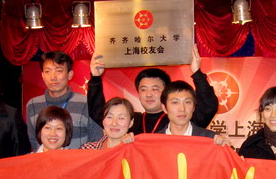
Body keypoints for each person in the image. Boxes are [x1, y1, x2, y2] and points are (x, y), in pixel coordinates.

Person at [88, 44, 219, 134]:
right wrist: (95, 79)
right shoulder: (132, 121)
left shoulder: (179, 118)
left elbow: (208, 106)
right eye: (143, 89)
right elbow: (100, 113)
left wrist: (197, 73)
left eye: (155, 89)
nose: (149, 94)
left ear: (166, 93)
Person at [26, 51, 102, 150]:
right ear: (43, 75)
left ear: (70, 74)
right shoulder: (33, 105)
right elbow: (34, 141)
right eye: (48, 71)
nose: (53, 77)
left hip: (78, 160)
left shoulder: (86, 104)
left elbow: (96, 141)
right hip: (45, 159)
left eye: (59, 71)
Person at [156, 80, 230, 146]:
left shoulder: (211, 139)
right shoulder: (155, 141)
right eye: (175, 102)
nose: (182, 109)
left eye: (187, 102)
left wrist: (227, 148)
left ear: (194, 107)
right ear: (164, 108)